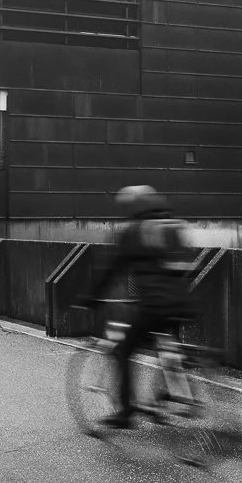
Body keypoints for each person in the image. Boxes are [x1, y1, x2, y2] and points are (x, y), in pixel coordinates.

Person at [86, 184, 196, 430]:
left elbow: (114, 268)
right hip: (182, 302)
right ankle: (164, 398)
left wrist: (92, 298)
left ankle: (126, 412)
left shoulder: (132, 231)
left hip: (155, 304)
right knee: (166, 346)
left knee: (123, 351)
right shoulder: (173, 227)